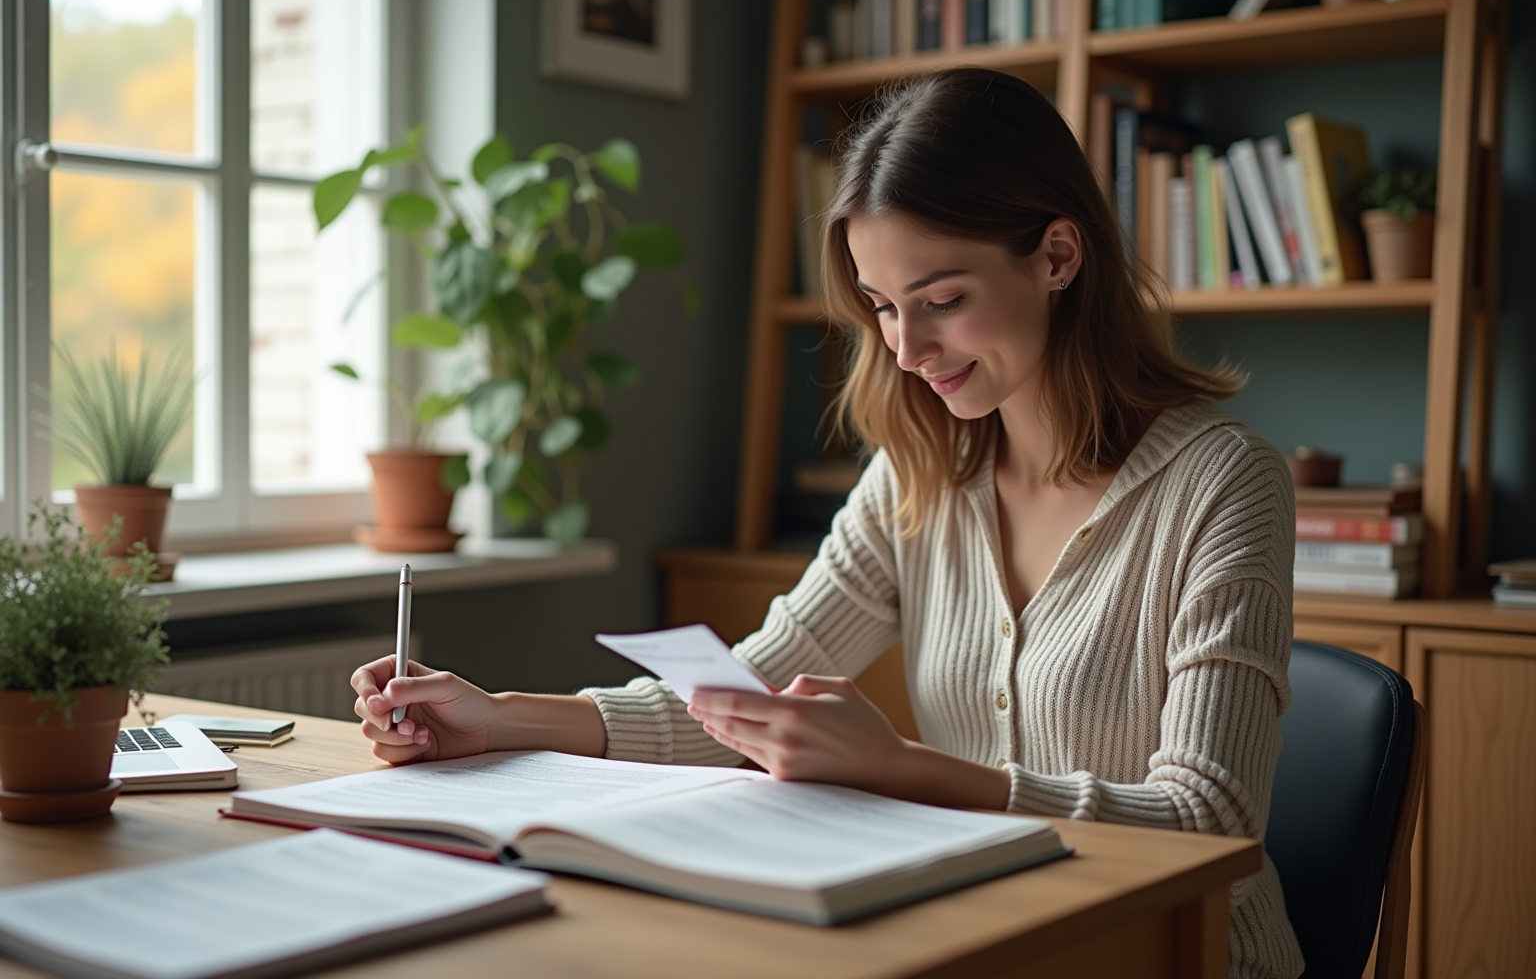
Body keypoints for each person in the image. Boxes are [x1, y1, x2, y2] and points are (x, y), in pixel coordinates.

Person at [352, 68, 1304, 979]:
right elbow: (740, 697)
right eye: (884, 308)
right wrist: (500, 720)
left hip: (1183, 953)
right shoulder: (919, 477)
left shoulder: (1223, 483)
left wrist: (898, 767)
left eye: (942, 301)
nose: (909, 348)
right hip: (995, 932)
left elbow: (1209, 818)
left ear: (1057, 255)